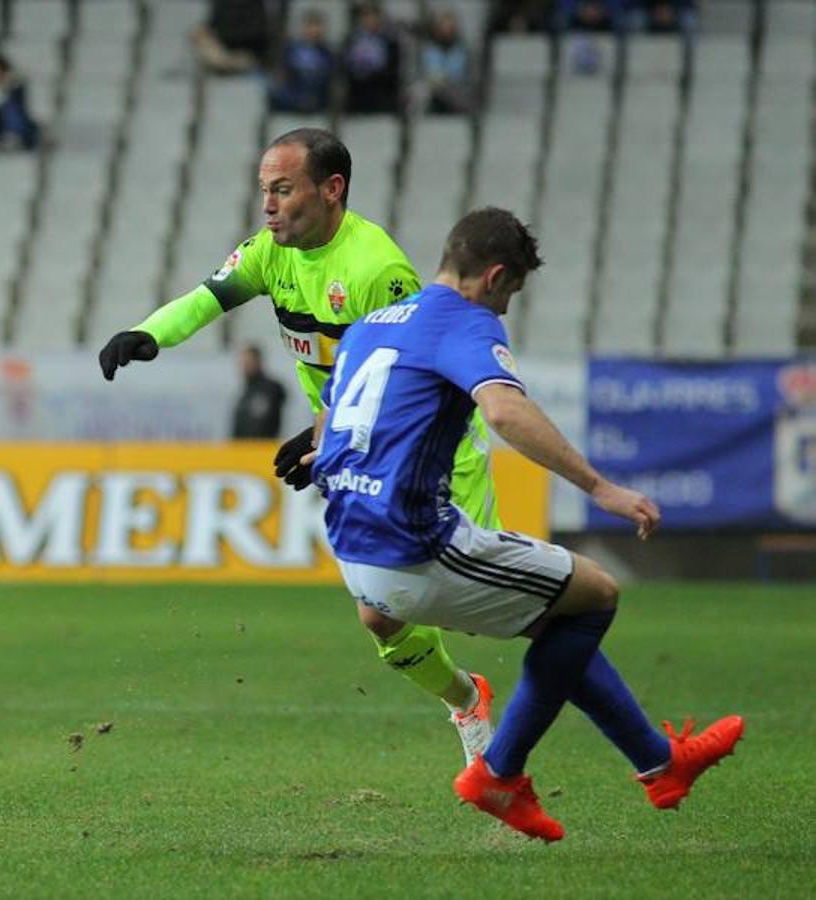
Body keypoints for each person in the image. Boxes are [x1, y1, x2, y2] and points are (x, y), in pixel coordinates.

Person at [307, 207, 744, 840]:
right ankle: (500, 774)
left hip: (353, 552)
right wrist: (602, 489)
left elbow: (329, 427)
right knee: (597, 595)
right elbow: (506, 412)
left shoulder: (367, 327)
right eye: (510, 292)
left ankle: (661, 763)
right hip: (415, 549)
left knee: (559, 614)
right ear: (494, 276)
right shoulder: (464, 321)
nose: (506, 309)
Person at [97, 128, 503, 764]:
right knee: (382, 618)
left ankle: (576, 611)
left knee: (475, 605)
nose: (268, 205)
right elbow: (209, 296)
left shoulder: (377, 270)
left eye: (282, 190)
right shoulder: (270, 253)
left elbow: (402, 384)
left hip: (432, 445)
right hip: (355, 443)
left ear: (330, 189)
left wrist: (326, 434)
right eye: (264, 190)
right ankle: (466, 701)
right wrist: (147, 334)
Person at [267, 9, 335, 114]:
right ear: (303, 27)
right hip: (294, 94)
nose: (313, 30)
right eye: (310, 25)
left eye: (316, 26)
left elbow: (328, 78)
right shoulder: (291, 49)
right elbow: (283, 74)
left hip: (316, 96)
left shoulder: (327, 52)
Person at [341, 3, 403, 115]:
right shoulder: (351, 40)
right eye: (366, 16)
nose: (370, 20)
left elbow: (393, 70)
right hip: (357, 93)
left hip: (382, 92)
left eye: (373, 16)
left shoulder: (390, 42)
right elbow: (345, 66)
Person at [414, 9, 472, 115]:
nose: (446, 29)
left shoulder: (461, 49)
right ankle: (417, 126)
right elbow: (426, 70)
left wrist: (444, 79)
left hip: (455, 86)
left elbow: (459, 72)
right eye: (443, 26)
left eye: (449, 26)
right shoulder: (429, 48)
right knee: (418, 91)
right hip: (433, 86)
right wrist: (435, 79)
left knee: (459, 94)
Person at [0, 51, 40, 150]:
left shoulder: (15, 87)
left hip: (18, 128)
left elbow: (19, 87)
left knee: (10, 107)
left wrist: (7, 83)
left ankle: (13, 136)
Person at [232, 345, 287, 438]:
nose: (244, 366)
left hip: (264, 448)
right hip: (242, 449)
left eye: (248, 362)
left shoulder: (272, 388)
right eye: (242, 363)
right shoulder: (245, 393)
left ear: (258, 361)